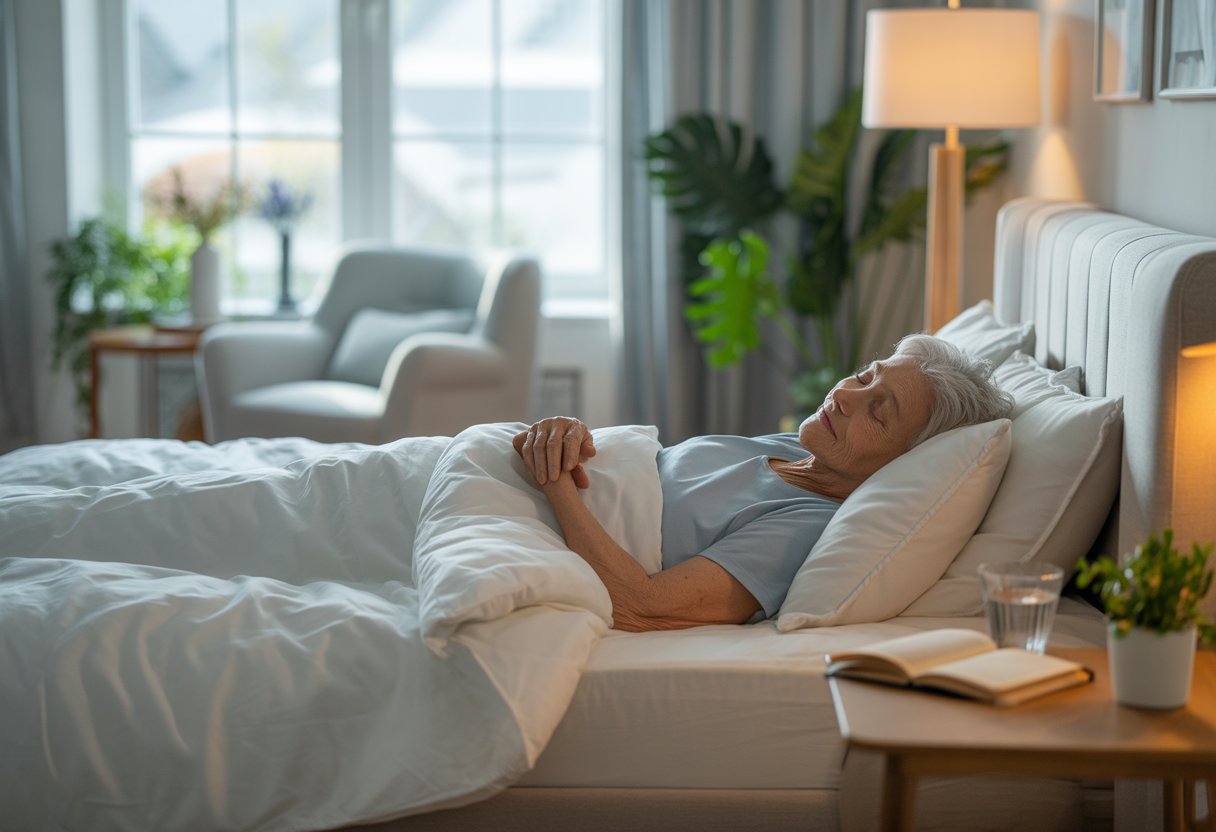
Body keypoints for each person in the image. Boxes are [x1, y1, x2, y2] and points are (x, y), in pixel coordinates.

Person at [512, 334, 1013, 632]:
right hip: (524, 472)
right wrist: (569, 435)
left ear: (908, 461)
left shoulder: (806, 526)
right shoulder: (804, 449)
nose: (844, 396)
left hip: (532, 516)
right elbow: (653, 467)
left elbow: (640, 606)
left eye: (878, 412)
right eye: (864, 378)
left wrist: (556, 480)